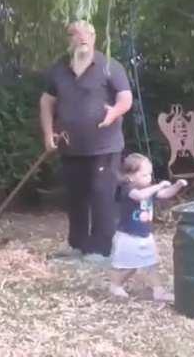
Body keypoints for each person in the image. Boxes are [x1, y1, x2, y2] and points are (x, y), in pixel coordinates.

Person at [39, 20, 133, 262]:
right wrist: (49, 134)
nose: (82, 38)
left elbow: (125, 98)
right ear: (68, 40)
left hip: (105, 145)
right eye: (76, 34)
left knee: (102, 194)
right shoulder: (59, 69)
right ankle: (77, 245)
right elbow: (46, 102)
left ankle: (101, 249)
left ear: (95, 37)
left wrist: (113, 113)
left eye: (87, 34)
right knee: (75, 197)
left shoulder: (110, 66)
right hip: (70, 147)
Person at [109, 153, 187, 300]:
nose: (149, 178)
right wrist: (158, 185)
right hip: (129, 235)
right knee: (129, 265)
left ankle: (159, 291)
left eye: (150, 174)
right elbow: (139, 196)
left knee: (151, 263)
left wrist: (177, 186)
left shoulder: (148, 189)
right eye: (144, 175)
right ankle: (116, 285)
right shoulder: (127, 189)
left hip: (145, 234)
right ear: (130, 176)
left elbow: (164, 194)